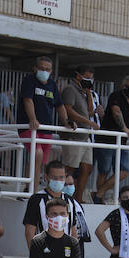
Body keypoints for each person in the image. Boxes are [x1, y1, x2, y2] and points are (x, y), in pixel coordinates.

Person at [58, 66, 98, 201]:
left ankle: (78, 198)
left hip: (84, 137)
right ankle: (61, 195)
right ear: (78, 76)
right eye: (87, 77)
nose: (89, 80)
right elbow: (68, 109)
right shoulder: (70, 89)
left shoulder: (82, 92)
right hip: (73, 136)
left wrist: (88, 93)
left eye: (91, 78)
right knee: (70, 167)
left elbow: (90, 111)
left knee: (87, 167)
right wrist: (88, 122)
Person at [19, 56, 61, 181]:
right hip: (29, 127)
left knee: (40, 161)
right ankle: (33, 191)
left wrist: (66, 121)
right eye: (41, 68)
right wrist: (32, 118)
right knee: (37, 154)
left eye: (47, 69)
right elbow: (28, 100)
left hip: (46, 129)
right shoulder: (29, 80)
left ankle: (28, 187)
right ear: (35, 68)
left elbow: (60, 105)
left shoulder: (52, 84)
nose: (44, 71)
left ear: (51, 71)